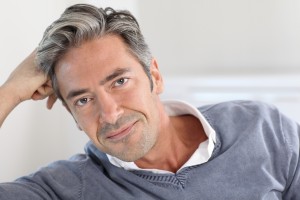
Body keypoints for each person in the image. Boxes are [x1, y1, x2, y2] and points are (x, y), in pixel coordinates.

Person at [0, 3, 299, 200]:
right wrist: (10, 91)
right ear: (72, 115)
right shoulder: (67, 188)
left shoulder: (264, 129)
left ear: (154, 76)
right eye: (83, 100)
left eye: (119, 81)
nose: (110, 113)